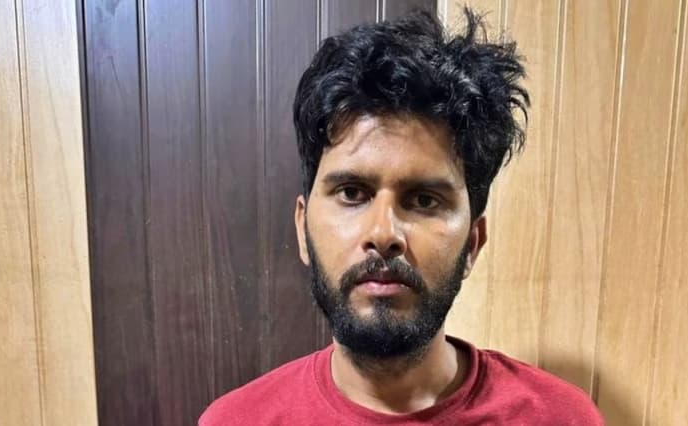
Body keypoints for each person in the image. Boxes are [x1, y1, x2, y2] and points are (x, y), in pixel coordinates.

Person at [200, 8, 603, 425]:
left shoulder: (561, 418)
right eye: (352, 193)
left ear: (472, 244)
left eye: (424, 200)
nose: (383, 232)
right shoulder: (235, 421)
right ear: (303, 230)